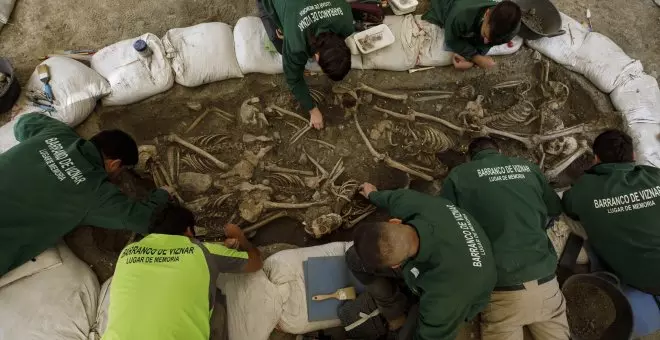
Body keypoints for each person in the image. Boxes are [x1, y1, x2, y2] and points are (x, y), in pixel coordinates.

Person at [0, 112, 171, 276]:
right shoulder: (94, 191)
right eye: (123, 170)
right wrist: (163, 193)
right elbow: (143, 219)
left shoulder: (57, 133)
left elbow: (24, 122)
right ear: (114, 164)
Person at [440, 137, 569, 340]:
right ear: (499, 151)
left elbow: (447, 225)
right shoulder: (528, 167)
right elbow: (554, 208)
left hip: (502, 291)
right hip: (546, 284)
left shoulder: (459, 175)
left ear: (469, 158)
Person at [347, 184, 497, 340]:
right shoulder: (415, 203)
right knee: (354, 258)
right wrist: (373, 194)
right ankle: (394, 311)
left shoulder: (442, 301)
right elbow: (393, 198)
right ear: (395, 222)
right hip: (441, 263)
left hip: (459, 290)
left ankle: (411, 305)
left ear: (396, 265)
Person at [102, 204, 263, 340]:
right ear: (188, 230)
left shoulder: (128, 252)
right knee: (219, 310)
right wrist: (240, 237)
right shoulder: (203, 251)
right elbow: (256, 263)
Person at [562, 130, 660, 337]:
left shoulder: (583, 189)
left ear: (596, 158)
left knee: (577, 224)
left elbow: (568, 207)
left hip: (644, 279)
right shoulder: (654, 175)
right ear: (633, 156)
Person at [257, 0, 354, 130]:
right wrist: (313, 110)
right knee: (280, 44)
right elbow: (293, 79)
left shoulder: (346, 20)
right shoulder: (296, 46)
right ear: (317, 57)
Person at [422, 0, 521, 70]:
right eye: (485, 35)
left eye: (492, 41)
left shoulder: (512, 30)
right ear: (487, 14)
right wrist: (476, 57)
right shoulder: (461, 15)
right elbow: (451, 40)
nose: (486, 41)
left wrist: (474, 59)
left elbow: (486, 43)